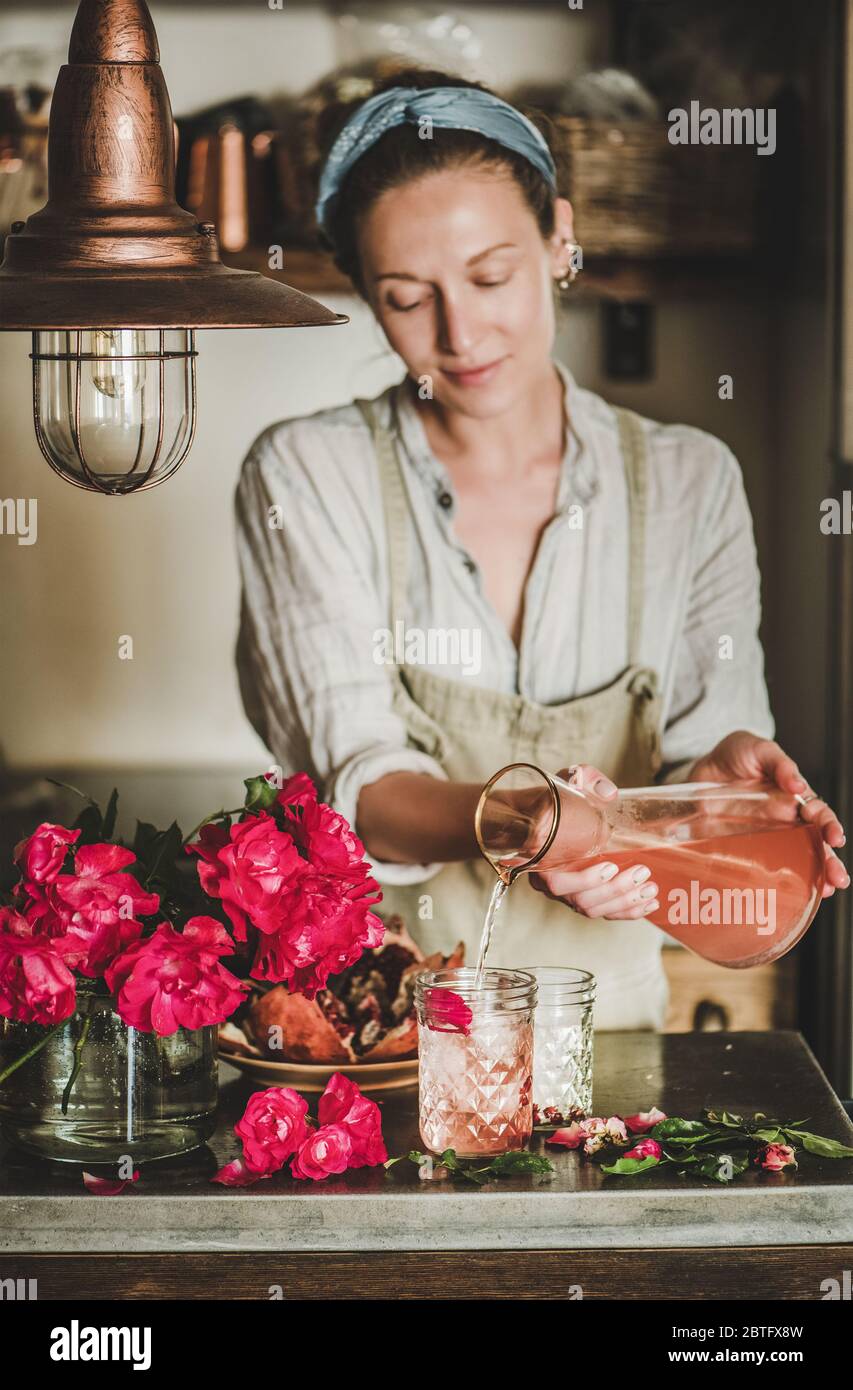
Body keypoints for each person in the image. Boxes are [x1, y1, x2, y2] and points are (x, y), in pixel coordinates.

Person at [235, 69, 847, 1030]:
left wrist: (713, 795)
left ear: (559, 238)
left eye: (490, 277)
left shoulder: (691, 482)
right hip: (380, 1040)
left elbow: (693, 790)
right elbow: (357, 784)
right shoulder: (309, 473)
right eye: (405, 297)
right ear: (363, 292)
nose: (461, 332)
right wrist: (534, 822)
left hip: (614, 1041)